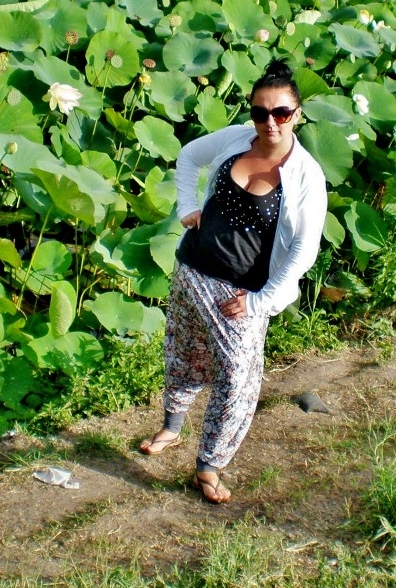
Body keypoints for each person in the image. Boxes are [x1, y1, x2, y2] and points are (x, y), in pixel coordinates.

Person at [138, 60, 328, 504]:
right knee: (183, 354)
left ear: (297, 115)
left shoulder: (306, 175)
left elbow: (304, 248)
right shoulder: (236, 139)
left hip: (239, 293)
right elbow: (188, 157)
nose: (270, 122)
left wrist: (262, 302)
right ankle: (171, 427)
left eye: (280, 112)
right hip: (191, 269)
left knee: (238, 378)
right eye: (260, 112)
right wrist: (187, 206)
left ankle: (209, 465)